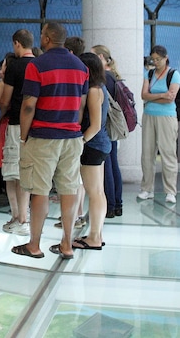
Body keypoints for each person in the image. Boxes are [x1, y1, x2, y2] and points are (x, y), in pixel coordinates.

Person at [12, 21, 88, 261]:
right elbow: (81, 104)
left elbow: (28, 105)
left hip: (44, 137)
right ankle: (67, 244)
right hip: (72, 137)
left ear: (46, 38)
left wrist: (24, 136)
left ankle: (34, 244)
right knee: (69, 190)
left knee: (40, 192)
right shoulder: (80, 66)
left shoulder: (37, 65)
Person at [0, 30, 35, 235]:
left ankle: (20, 218)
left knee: (13, 173)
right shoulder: (39, 64)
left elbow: (5, 100)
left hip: (15, 124)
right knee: (26, 173)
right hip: (36, 126)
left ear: (17, 44)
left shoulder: (15, 67)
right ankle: (23, 217)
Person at [73, 53, 110, 252]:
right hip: (99, 145)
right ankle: (96, 234)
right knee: (98, 192)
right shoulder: (98, 88)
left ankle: (95, 236)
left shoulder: (94, 91)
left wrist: (81, 142)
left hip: (93, 145)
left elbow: (94, 125)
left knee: (94, 192)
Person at [140, 45, 180, 204]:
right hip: (149, 115)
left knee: (168, 153)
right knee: (147, 154)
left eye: (158, 59)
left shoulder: (173, 74)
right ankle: (146, 188)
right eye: (153, 59)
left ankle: (170, 191)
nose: (155, 62)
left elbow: (171, 98)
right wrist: (162, 94)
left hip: (167, 117)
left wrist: (152, 96)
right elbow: (143, 95)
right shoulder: (149, 73)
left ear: (166, 58)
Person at [91, 45, 124, 218]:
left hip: (106, 127)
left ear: (101, 57)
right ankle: (117, 203)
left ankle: (110, 205)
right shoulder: (114, 76)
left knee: (108, 167)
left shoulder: (105, 78)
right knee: (114, 165)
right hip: (112, 127)